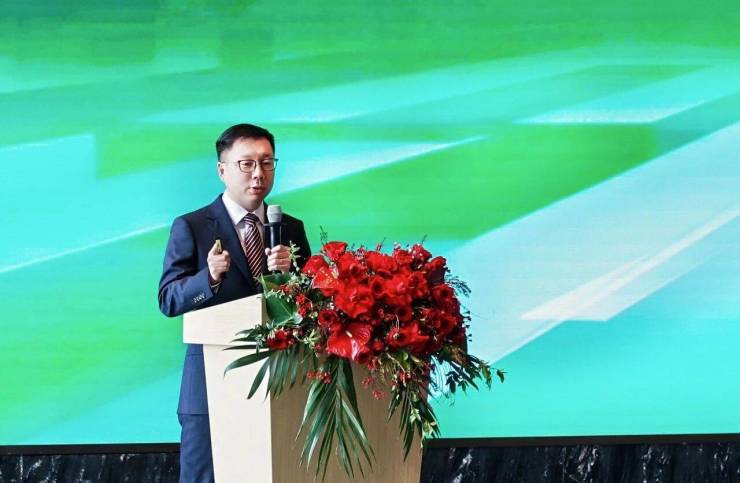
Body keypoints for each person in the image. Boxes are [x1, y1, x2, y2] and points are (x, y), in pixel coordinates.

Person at [158, 123, 311, 483]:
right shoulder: (192, 226)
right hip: (211, 386)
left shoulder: (289, 228)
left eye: (267, 163)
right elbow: (168, 298)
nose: (259, 174)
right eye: (247, 164)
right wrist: (209, 278)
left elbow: (310, 304)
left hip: (279, 386)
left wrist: (292, 277)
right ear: (222, 169)